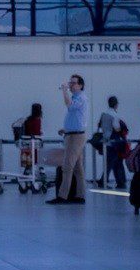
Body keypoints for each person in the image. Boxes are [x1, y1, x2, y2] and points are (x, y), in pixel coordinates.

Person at [48, 74, 89, 205]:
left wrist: (64, 90)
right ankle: (80, 195)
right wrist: (66, 129)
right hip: (72, 134)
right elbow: (77, 118)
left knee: (67, 166)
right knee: (78, 168)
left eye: (73, 83)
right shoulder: (77, 97)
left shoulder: (81, 97)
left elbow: (69, 106)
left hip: (76, 137)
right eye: (70, 83)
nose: (71, 85)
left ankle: (62, 196)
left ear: (80, 85)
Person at [97, 96, 127, 189]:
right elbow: (117, 128)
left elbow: (100, 125)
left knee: (113, 162)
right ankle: (104, 182)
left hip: (105, 140)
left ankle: (120, 182)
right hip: (113, 142)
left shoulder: (104, 114)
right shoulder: (114, 115)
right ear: (116, 104)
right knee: (112, 163)